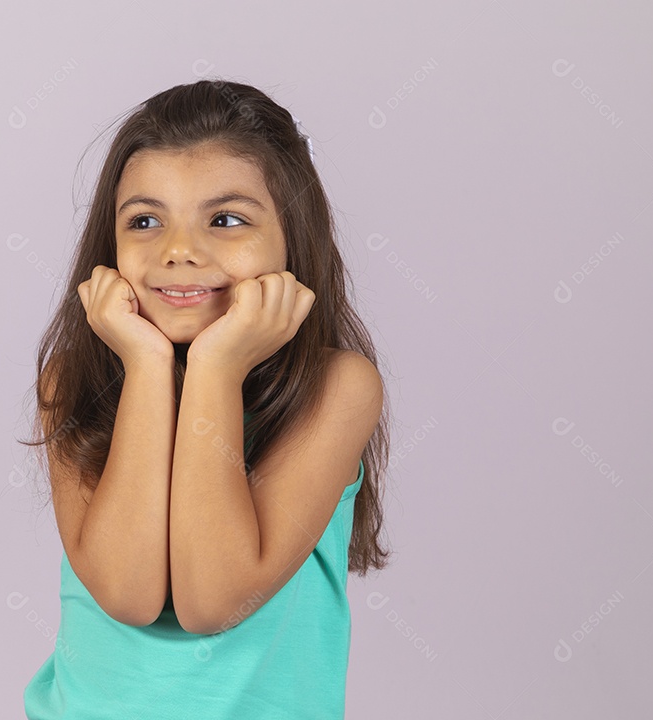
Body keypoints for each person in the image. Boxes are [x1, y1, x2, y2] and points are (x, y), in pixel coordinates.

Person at [20, 78, 393, 719]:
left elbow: (213, 600)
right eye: (144, 220)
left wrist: (216, 369)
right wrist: (144, 365)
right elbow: (128, 591)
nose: (179, 251)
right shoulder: (72, 378)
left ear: (292, 239)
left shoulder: (337, 389)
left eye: (226, 219)